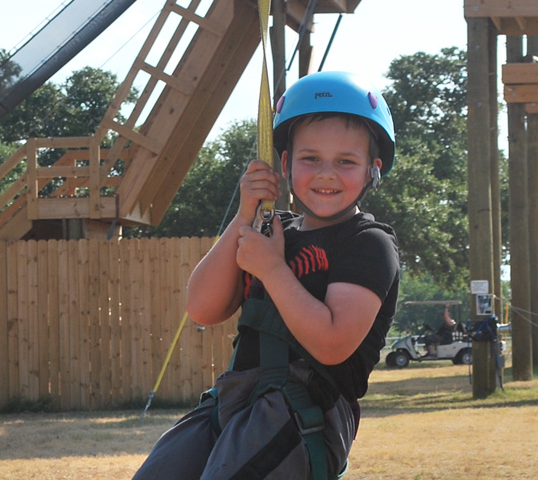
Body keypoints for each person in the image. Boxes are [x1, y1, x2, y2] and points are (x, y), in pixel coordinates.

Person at [131, 71, 400, 480]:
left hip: (308, 409)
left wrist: (272, 268)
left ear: (372, 171)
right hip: (236, 398)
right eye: (311, 159)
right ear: (287, 164)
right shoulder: (271, 230)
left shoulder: (368, 243)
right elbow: (202, 308)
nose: (327, 173)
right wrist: (245, 215)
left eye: (346, 162)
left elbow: (331, 344)